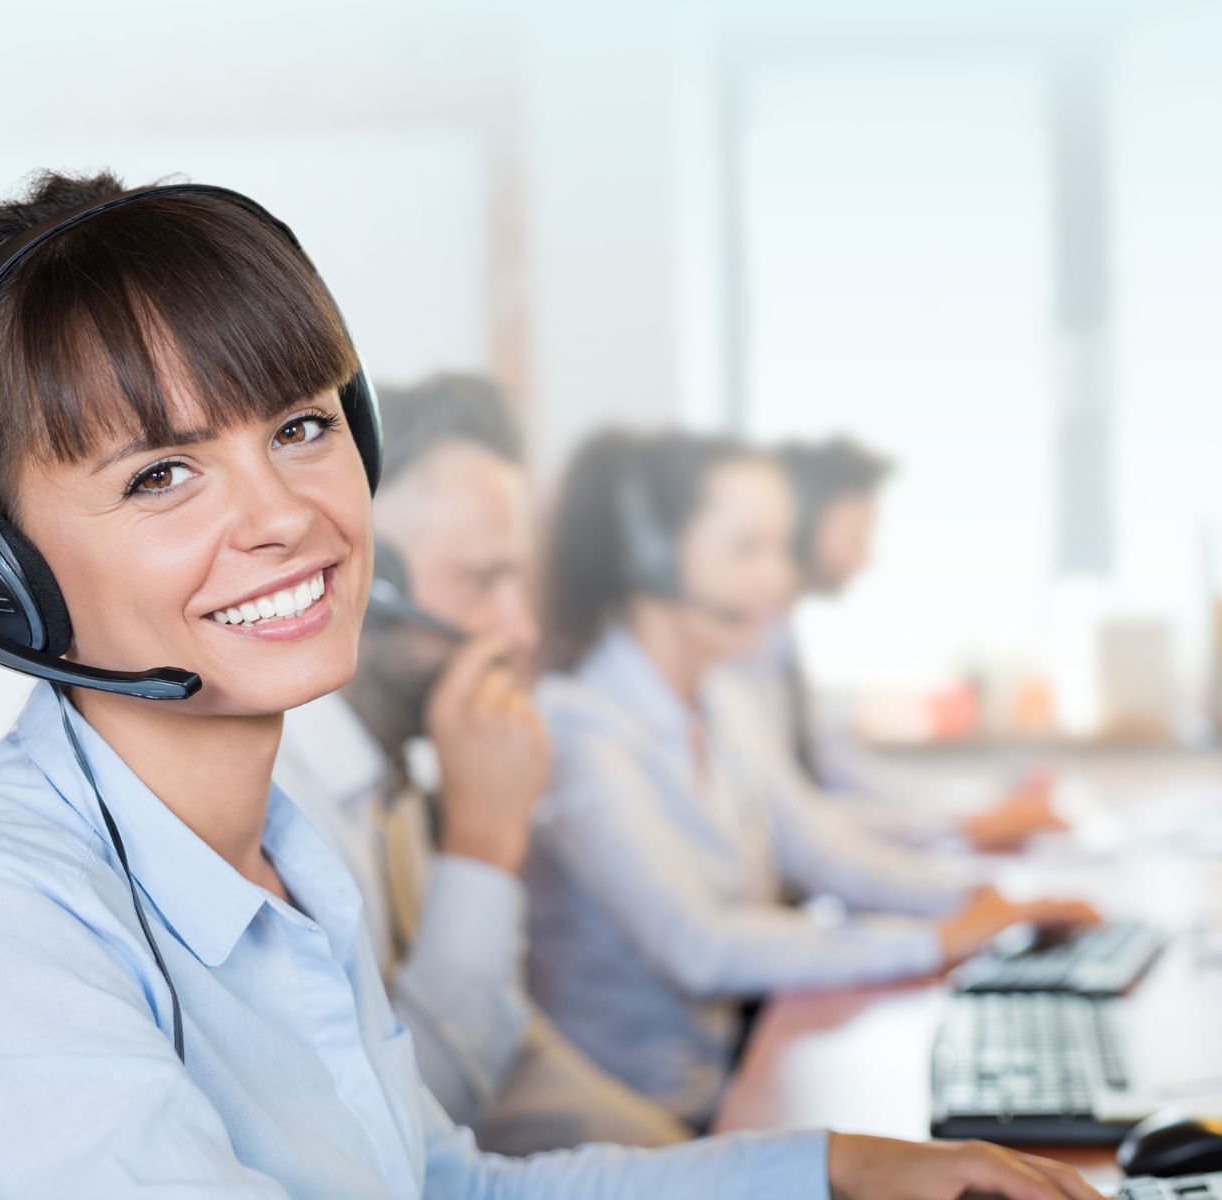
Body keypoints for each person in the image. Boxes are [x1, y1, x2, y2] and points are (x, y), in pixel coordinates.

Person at [0, 171, 1102, 1200]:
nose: (285, 517)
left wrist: (836, 1167)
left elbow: (440, 1182)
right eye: (162, 474)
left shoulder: (286, 861)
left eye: (302, 428)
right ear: (3, 565)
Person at [528, 430, 1098, 1130]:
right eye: (747, 550)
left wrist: (978, 901)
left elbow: (823, 850)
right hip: (642, 1119)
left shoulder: (724, 698)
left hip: (728, 1076)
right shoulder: (579, 727)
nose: (777, 577)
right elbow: (699, 946)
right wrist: (933, 941)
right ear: (652, 558)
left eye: (778, 546)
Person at [275, 374, 691, 1153]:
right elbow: (410, 1124)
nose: (521, 629)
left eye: (521, 582)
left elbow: (505, 1051)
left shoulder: (404, 779)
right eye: (483, 581)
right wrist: (486, 842)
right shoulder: (279, 811)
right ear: (371, 579)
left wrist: (725, 1165)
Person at [761, 436, 1067, 852]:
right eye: (856, 534)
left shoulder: (779, 637)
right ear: (800, 524)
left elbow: (840, 774)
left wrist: (975, 812)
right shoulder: (743, 651)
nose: (866, 557)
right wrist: (964, 824)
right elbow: (798, 816)